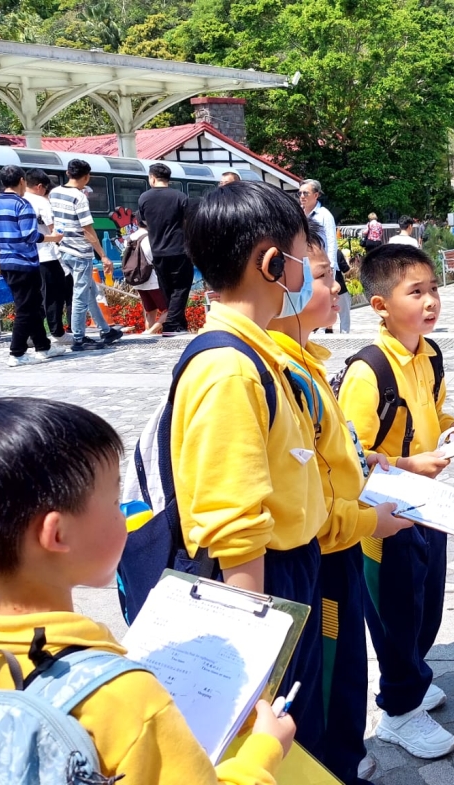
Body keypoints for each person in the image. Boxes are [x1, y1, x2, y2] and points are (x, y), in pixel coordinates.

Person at [0, 398, 296, 785]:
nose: (124, 512)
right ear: (58, 534)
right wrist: (263, 752)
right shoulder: (126, 697)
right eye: (114, 501)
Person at [174, 180, 328, 754]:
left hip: (288, 568)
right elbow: (234, 525)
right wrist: (250, 666)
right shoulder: (230, 370)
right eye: (301, 256)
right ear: (272, 263)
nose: (307, 273)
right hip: (263, 583)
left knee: (300, 732)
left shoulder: (256, 352)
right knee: (272, 736)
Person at [269, 225, 413, 785]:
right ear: (279, 278)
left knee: (346, 666)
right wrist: (371, 519)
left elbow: (332, 458)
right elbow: (302, 497)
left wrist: (367, 461)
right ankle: (336, 768)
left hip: (340, 547)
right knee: (329, 681)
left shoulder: (306, 360)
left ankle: (345, 760)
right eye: (324, 275)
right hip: (323, 558)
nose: (336, 288)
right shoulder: (277, 372)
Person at [338, 244, 454, 760]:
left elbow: (431, 416)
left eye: (433, 289)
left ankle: (412, 678)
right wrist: (409, 464)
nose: (431, 301)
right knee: (395, 612)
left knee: (425, 603)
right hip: (386, 514)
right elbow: (350, 456)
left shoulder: (429, 354)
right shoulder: (368, 370)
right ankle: (399, 710)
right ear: (380, 305)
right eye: (415, 292)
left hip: (428, 505)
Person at [0, 165, 66, 367]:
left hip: (6, 262)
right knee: (26, 309)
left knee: (32, 305)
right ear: (22, 181)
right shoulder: (22, 204)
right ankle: (17, 352)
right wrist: (53, 238)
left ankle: (43, 347)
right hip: (25, 262)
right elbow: (30, 235)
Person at [50, 159, 122, 352]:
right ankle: (79, 339)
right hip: (80, 252)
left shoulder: (54, 193)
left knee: (89, 290)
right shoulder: (79, 197)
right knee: (80, 295)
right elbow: (88, 229)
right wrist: (103, 256)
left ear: (68, 173)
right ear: (87, 176)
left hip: (64, 249)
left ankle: (106, 330)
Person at [138, 163, 194, 335]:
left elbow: (143, 222)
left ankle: (179, 325)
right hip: (179, 249)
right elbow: (189, 221)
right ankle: (172, 325)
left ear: (152, 178)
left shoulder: (144, 198)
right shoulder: (180, 197)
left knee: (167, 289)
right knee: (181, 287)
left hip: (157, 251)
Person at [24, 169, 72, 344]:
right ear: (39, 186)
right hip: (46, 255)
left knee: (31, 298)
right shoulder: (41, 202)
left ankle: (31, 335)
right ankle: (57, 332)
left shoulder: (20, 200)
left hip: (25, 257)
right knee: (54, 295)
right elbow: (54, 229)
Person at [298, 179, 349, 333]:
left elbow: (332, 241)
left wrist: (331, 266)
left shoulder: (324, 215)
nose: (302, 196)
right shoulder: (299, 213)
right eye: (300, 193)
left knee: (340, 295)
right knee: (316, 295)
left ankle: (345, 329)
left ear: (316, 195)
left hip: (325, 263)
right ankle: (317, 327)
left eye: (305, 193)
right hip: (307, 263)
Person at [126, 217, 167, 334]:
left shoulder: (130, 238)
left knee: (150, 310)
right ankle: (150, 332)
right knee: (169, 310)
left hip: (138, 279)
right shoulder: (149, 238)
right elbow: (154, 258)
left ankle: (148, 332)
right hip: (152, 279)